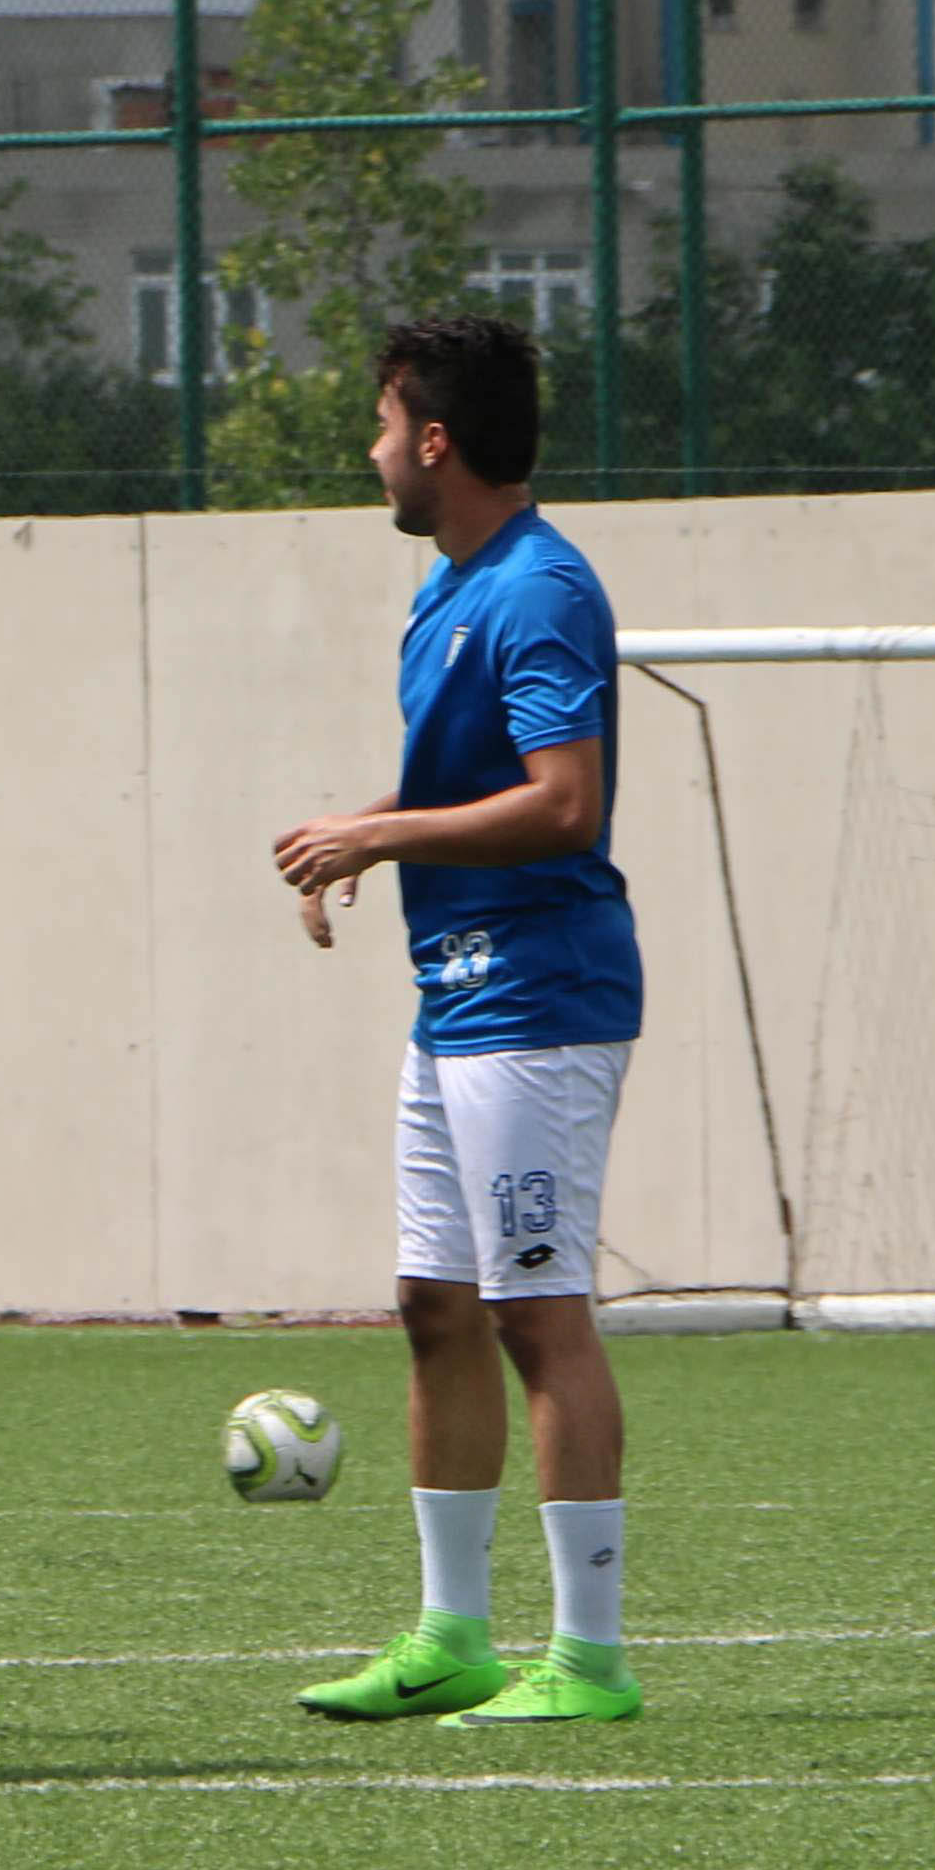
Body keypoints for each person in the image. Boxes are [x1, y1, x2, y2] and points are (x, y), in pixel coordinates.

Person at [270, 315, 646, 1731]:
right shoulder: (450, 591)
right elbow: (470, 781)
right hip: (460, 993)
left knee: (540, 1316)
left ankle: (591, 1661)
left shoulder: (541, 589)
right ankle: (451, 1638)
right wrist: (361, 830)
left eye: (381, 428)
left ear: (435, 439)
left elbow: (565, 804)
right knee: (436, 1307)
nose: (371, 455)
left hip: (541, 999)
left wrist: (380, 841)